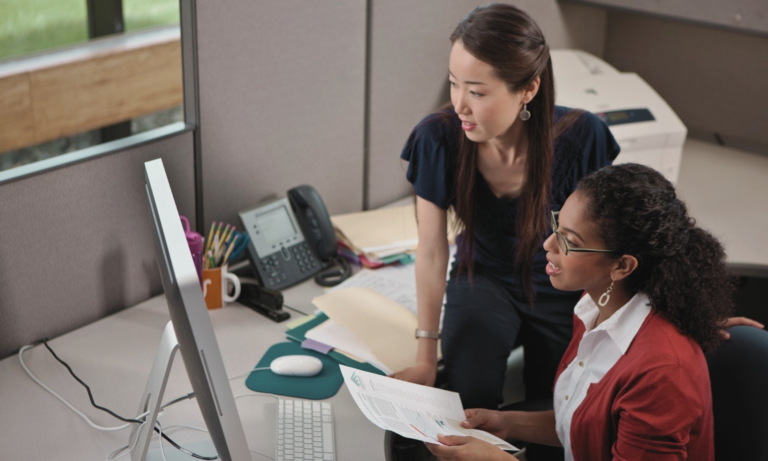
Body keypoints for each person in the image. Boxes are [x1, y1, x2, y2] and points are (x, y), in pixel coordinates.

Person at [425, 163, 739, 461]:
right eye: (556, 225)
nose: (548, 244)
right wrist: (506, 423)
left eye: (569, 241)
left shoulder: (660, 375)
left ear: (621, 265)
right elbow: (587, 428)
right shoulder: (595, 306)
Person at [393, 3, 621, 409]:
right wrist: (425, 358)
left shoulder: (582, 137)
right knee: (469, 396)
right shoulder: (437, 139)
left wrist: (675, 311)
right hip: (483, 276)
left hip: (563, 283)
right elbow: (430, 250)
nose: (460, 104)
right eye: (454, 84)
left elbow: (620, 239)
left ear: (527, 90)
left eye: (477, 92)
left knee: (559, 406)